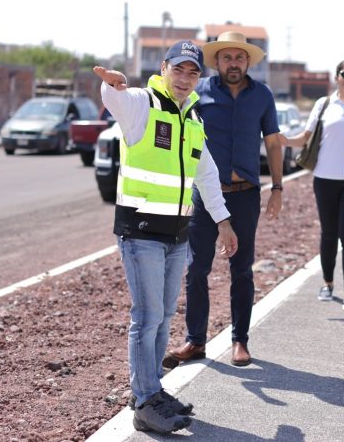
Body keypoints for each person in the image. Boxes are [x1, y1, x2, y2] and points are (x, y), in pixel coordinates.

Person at [93, 39, 238, 434]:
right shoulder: (142, 103)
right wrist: (113, 85)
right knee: (147, 316)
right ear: (163, 68)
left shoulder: (193, 118)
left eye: (193, 72)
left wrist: (223, 221)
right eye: (179, 70)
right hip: (140, 231)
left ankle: (152, 390)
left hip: (177, 234)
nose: (186, 79)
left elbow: (205, 174)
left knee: (163, 317)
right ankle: (143, 402)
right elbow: (115, 99)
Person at [166, 31, 283, 368]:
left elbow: (273, 142)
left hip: (245, 194)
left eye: (240, 57)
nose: (234, 63)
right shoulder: (198, 92)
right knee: (196, 268)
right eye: (227, 57)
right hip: (204, 195)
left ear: (248, 61)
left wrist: (277, 188)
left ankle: (240, 341)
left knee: (242, 270)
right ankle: (195, 340)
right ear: (216, 61)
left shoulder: (262, 95)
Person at [279, 60, 344, 313]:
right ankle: (328, 284)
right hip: (324, 179)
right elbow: (305, 138)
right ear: (337, 78)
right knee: (329, 234)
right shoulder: (324, 104)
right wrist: (283, 139)